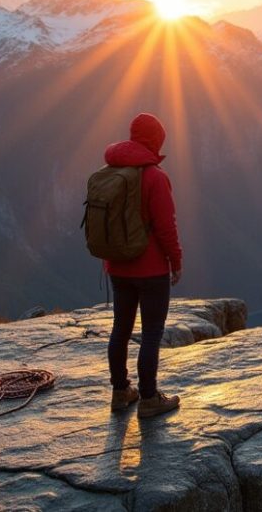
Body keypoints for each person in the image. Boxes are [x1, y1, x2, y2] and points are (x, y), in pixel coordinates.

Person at [104, 113, 183, 418]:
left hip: (117, 266)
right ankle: (149, 398)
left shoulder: (111, 172)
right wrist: (176, 261)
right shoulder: (155, 177)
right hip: (151, 270)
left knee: (120, 329)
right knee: (151, 334)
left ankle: (120, 391)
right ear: (155, 141)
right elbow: (166, 227)